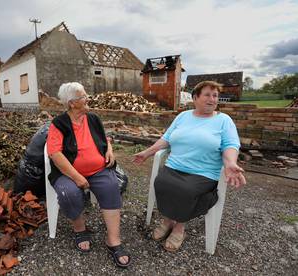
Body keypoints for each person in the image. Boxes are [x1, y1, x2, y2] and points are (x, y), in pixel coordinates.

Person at [133, 81, 246, 252]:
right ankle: (167, 220)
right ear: (195, 98)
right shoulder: (183, 116)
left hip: (203, 173)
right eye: (207, 95)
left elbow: (231, 145)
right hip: (175, 166)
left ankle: (179, 228)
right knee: (161, 183)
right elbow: (167, 138)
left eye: (215, 96)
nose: (212, 99)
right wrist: (147, 152)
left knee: (185, 190)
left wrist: (230, 162)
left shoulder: (224, 120)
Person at [46, 82, 131, 268]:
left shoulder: (92, 118)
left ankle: (113, 240)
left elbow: (105, 138)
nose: (87, 99)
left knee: (111, 186)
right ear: (72, 103)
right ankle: (79, 229)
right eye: (83, 96)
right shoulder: (58, 124)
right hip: (67, 173)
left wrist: (109, 149)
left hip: (98, 170)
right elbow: (54, 153)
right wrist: (77, 177)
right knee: (69, 193)